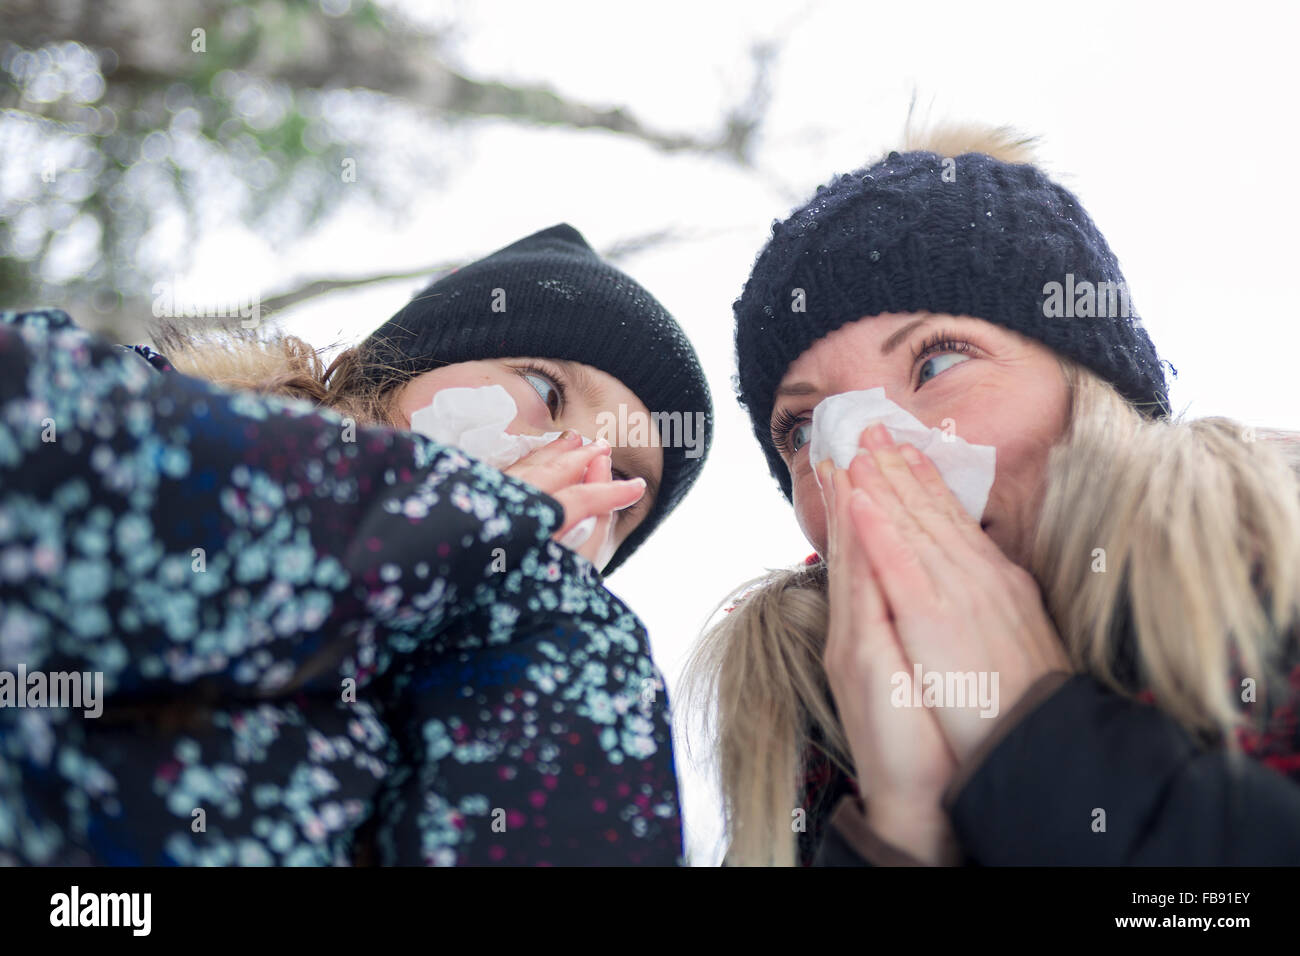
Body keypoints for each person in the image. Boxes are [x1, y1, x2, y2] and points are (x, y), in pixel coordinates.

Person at [0, 223, 712, 865]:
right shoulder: (141, 404)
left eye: (622, 483)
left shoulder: (568, 664)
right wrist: (459, 518)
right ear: (399, 369)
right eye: (541, 388)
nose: (578, 462)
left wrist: (557, 631)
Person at [684, 125, 1300, 866]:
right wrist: (903, 832)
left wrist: (1035, 743)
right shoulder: (806, 751)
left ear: (1091, 386)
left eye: (938, 361)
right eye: (806, 428)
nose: (864, 456)